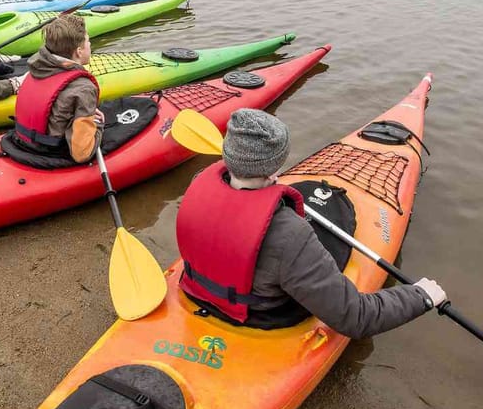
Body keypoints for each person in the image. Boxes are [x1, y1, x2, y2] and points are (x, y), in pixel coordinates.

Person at [174, 109, 447, 336]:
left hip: (199, 292)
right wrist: (420, 296)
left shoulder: (198, 187)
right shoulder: (290, 234)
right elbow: (356, 317)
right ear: (275, 167)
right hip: (260, 317)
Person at [8, 14, 103, 163]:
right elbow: (82, 153)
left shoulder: (37, 67)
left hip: (23, 142)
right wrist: (98, 125)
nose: (90, 44)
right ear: (79, 51)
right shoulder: (84, 88)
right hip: (51, 152)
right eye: (88, 41)